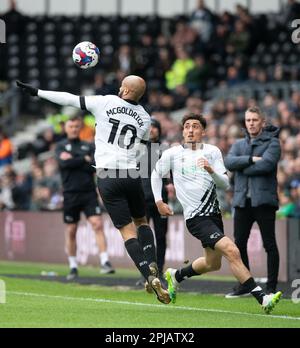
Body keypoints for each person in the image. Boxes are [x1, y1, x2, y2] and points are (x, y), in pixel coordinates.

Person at [16, 76, 170, 304]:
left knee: (127, 232)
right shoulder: (146, 118)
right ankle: (153, 264)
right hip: (130, 173)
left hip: (107, 175)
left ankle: (148, 275)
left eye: (122, 86)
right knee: (142, 222)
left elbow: (69, 99)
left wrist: (37, 92)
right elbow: (144, 148)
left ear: (125, 89)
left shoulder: (106, 102)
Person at [151, 113, 282, 314]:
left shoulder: (212, 151)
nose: (191, 130)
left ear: (203, 131)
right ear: (183, 131)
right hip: (195, 218)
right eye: (187, 126)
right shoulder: (173, 154)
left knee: (212, 264)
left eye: (195, 126)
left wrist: (211, 171)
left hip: (214, 215)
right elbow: (155, 174)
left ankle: (176, 275)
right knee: (232, 250)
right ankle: (262, 298)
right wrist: (159, 201)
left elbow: (225, 183)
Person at [224, 106, 281, 296]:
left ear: (262, 122)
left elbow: (267, 165)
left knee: (269, 244)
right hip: (242, 201)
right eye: (248, 120)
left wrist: (243, 166)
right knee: (238, 244)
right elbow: (228, 162)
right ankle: (246, 285)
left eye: (255, 120)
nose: (251, 123)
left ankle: (271, 288)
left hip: (264, 201)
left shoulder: (273, 143)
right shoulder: (239, 144)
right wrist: (251, 159)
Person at [55, 116, 115, 280]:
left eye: (76, 126)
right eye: (71, 126)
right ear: (66, 128)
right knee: (71, 230)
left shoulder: (88, 145)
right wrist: (82, 159)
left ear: (79, 128)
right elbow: (64, 164)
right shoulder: (60, 146)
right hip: (70, 194)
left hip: (88, 193)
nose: (74, 129)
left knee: (97, 224)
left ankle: (105, 261)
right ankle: (73, 266)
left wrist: (75, 159)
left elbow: (93, 165)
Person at [136, 118, 169, 287]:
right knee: (143, 237)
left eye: (155, 127)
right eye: (149, 127)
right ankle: (147, 273)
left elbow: (170, 174)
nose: (152, 130)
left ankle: (160, 271)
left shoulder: (166, 149)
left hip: (161, 200)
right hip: (141, 199)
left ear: (159, 130)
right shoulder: (138, 149)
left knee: (161, 236)